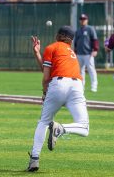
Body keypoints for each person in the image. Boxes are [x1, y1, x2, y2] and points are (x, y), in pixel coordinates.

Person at [27, 26, 89, 172]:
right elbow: (50, 69)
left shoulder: (51, 47)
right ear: (71, 40)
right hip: (77, 86)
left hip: (58, 85)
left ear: (59, 35)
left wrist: (44, 92)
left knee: (43, 121)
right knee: (84, 127)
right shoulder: (71, 53)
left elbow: (46, 76)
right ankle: (61, 129)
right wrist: (37, 54)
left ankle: (34, 159)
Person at [74, 14, 99, 92]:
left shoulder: (90, 29)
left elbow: (95, 40)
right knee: (80, 71)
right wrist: (75, 51)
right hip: (79, 53)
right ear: (79, 20)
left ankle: (94, 86)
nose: (82, 21)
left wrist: (95, 49)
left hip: (88, 53)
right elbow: (76, 42)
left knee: (91, 70)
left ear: (87, 20)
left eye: (84, 19)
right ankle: (81, 86)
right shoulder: (78, 30)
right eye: (81, 19)